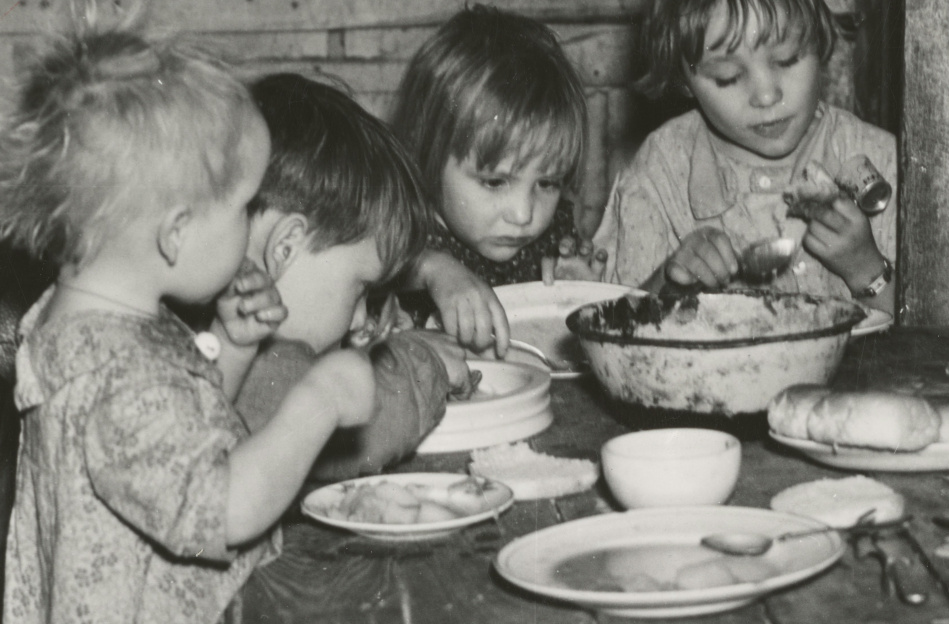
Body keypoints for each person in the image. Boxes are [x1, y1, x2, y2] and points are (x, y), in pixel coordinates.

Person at [0, 13, 374, 623]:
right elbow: (223, 511)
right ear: (176, 233)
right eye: (244, 206)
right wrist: (321, 400)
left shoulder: (94, 324)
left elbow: (178, 451)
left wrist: (231, 345)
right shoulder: (115, 377)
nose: (253, 223)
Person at [234, 72, 473, 481]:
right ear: (286, 247)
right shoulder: (250, 360)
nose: (361, 317)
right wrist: (424, 364)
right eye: (360, 288)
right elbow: (355, 431)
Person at [594, 0, 897, 313]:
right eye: (727, 77)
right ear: (682, 78)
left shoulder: (883, 161)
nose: (767, 96)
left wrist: (865, 268)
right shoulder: (660, 172)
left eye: (787, 59)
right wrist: (670, 285)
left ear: (820, 38)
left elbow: (935, 337)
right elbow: (615, 329)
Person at [388, 5, 609, 352]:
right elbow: (378, 261)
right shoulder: (395, 223)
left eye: (548, 182)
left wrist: (573, 293)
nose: (523, 215)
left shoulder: (551, 239)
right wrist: (432, 269)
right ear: (426, 153)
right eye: (494, 182)